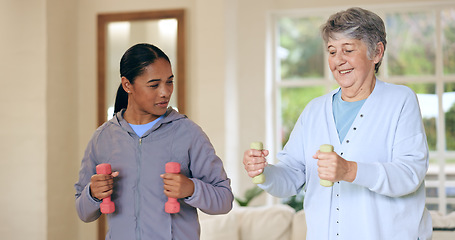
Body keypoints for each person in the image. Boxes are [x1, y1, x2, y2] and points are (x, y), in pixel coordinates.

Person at [243, 7, 432, 240]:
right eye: (332, 51)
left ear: (377, 52)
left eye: (348, 49)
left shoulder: (400, 100)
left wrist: (350, 170)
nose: (338, 60)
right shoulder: (314, 110)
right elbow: (292, 176)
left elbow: (410, 174)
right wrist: (265, 172)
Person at [75, 43, 233, 240]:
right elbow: (83, 212)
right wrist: (92, 193)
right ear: (127, 85)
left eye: (169, 82)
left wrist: (192, 189)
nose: (165, 92)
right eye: (154, 84)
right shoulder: (103, 138)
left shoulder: (188, 134)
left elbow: (225, 200)